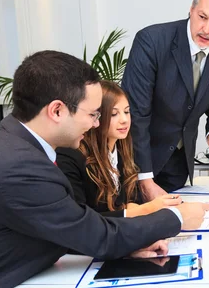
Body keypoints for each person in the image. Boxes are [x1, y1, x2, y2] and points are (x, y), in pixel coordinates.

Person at [0, 50, 209, 288]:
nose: (97, 124)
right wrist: (176, 218)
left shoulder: (12, 143)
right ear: (57, 110)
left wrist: (126, 244)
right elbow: (95, 235)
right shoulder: (19, 165)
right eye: (93, 114)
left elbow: (70, 225)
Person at [122, 0, 209, 197]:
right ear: (191, 10)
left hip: (178, 166)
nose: (206, 29)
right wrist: (145, 179)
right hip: (139, 164)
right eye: (202, 17)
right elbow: (136, 114)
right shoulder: (152, 41)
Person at [57, 80, 181, 217]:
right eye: (113, 114)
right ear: (95, 116)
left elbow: (126, 204)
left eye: (127, 112)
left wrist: (153, 208)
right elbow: (80, 220)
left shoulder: (123, 153)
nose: (124, 120)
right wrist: (147, 209)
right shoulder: (72, 156)